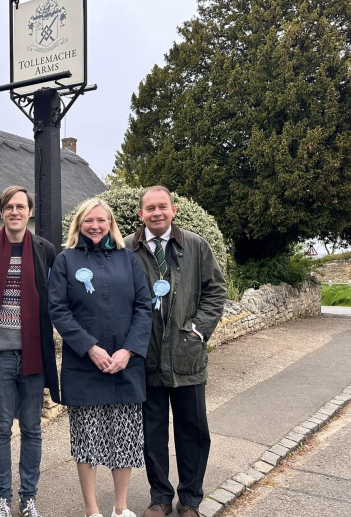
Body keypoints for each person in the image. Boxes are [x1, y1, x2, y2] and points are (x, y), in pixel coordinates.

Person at [49, 198, 154, 517]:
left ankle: (121, 508)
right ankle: (92, 510)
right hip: (84, 366)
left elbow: (143, 306)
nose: (95, 225)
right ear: (78, 224)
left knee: (125, 441)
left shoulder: (128, 259)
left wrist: (128, 350)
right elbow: (58, 309)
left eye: (101, 220)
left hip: (125, 364)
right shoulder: (65, 260)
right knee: (87, 442)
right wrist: (90, 348)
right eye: (88, 220)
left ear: (111, 224)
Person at [124, 186, 226, 517]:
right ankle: (160, 498)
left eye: (162, 206)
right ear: (140, 214)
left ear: (174, 209)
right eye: (150, 208)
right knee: (153, 434)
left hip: (187, 356)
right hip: (147, 357)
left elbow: (215, 289)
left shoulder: (195, 245)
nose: (156, 212)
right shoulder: (127, 248)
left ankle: (191, 499)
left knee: (193, 432)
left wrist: (198, 329)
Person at [0, 186, 59, 517]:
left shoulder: (44, 249)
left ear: (30, 212)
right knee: (0, 428)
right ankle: (3, 497)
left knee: (32, 429)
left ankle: (29, 496)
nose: (15, 212)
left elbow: (53, 295)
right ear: (2, 211)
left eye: (21, 206)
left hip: (33, 354)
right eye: (9, 207)